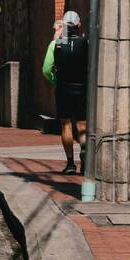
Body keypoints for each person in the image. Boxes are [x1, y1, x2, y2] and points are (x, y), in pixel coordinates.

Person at [43, 10, 89, 174]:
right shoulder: (85, 43)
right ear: (78, 25)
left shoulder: (56, 44)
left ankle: (70, 163)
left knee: (66, 125)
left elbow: (46, 69)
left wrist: (57, 82)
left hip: (63, 88)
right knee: (82, 124)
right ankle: (84, 156)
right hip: (82, 88)